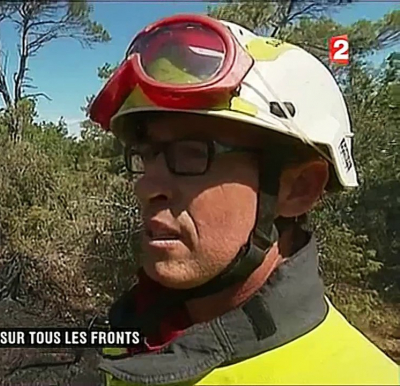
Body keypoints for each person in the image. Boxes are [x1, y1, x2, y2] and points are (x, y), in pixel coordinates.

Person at [87, 13, 399, 385]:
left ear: (298, 188)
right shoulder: (147, 330)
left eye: (192, 154)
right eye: (146, 155)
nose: (145, 187)